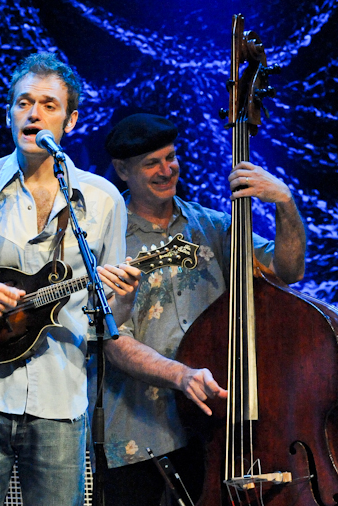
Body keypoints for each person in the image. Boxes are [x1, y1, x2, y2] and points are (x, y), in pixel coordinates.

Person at [0, 52, 141, 506]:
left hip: (62, 400)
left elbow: (111, 321)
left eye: (48, 104)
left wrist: (123, 297)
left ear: (71, 120)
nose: (34, 113)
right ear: (9, 114)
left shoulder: (102, 201)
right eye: (23, 103)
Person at [97, 113, 306, 506]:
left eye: (171, 157)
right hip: (141, 434)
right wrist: (181, 375)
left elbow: (286, 270)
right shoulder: (103, 239)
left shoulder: (213, 226)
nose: (167, 169)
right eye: (151, 163)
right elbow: (111, 340)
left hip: (215, 430)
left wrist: (285, 203)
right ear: (123, 170)